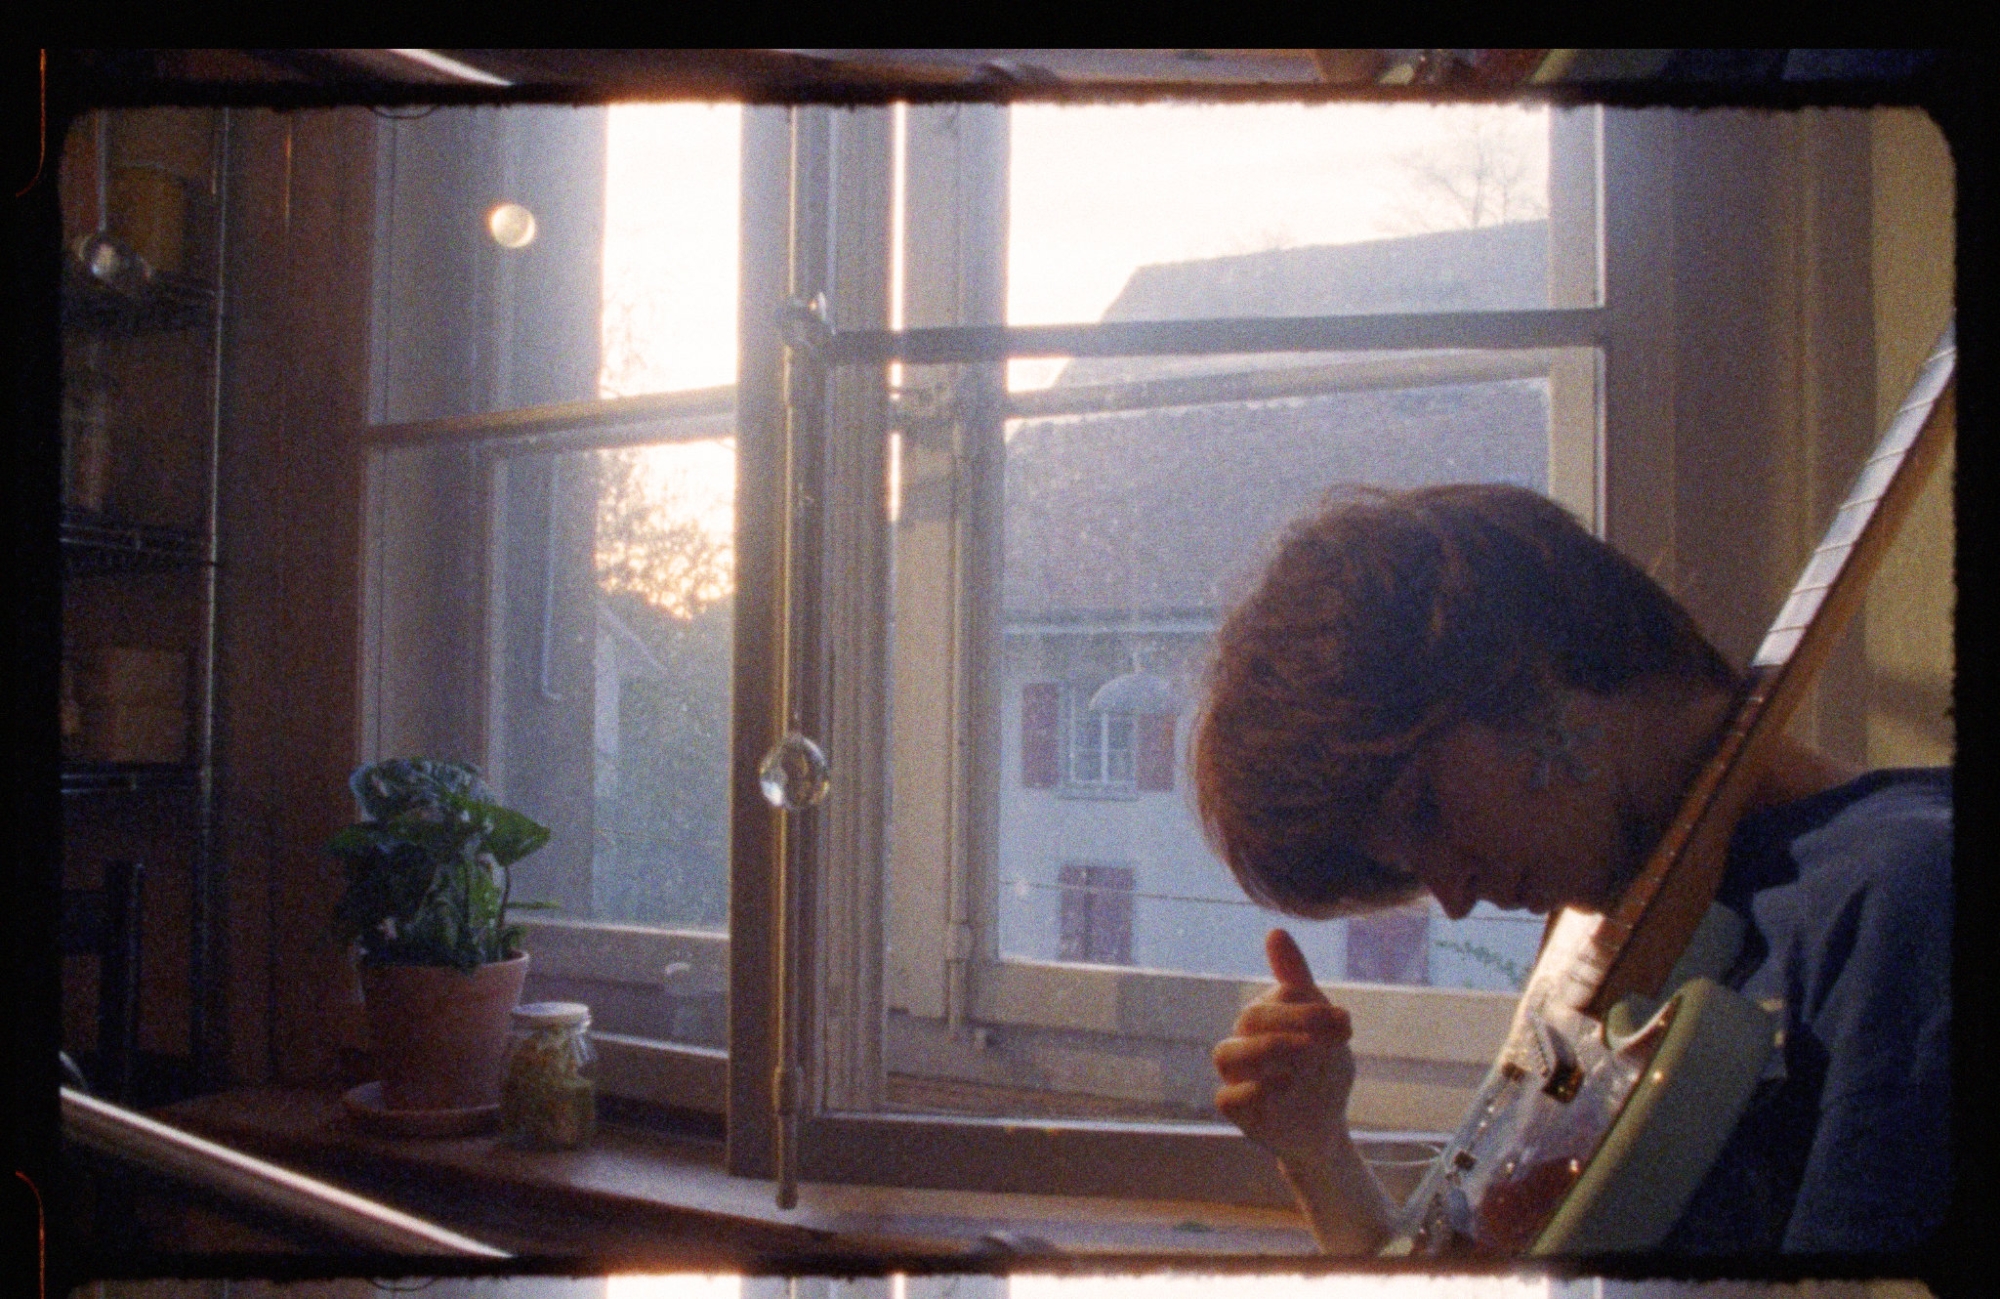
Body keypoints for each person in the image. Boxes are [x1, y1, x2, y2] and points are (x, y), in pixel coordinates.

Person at [1193, 483, 1951, 1257]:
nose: (1452, 898)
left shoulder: (1911, 902)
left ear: (1528, 669)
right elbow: (1468, 1271)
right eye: (1407, 865)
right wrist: (1318, 1153)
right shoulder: (1608, 931)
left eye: (1425, 808)